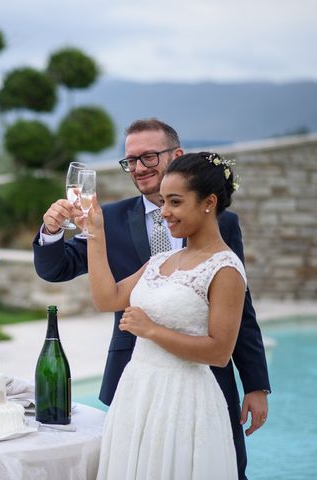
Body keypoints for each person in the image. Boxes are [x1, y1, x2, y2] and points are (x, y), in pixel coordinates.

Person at [32, 119, 270, 479]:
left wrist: (255, 383)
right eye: (131, 160)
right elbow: (63, 272)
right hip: (135, 382)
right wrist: (53, 231)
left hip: (201, 383)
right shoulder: (111, 220)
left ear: (176, 155)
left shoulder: (225, 229)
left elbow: (241, 312)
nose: (139, 168)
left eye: (148, 157)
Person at [89, 151, 247, 477]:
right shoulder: (161, 260)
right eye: (163, 202)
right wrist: (95, 231)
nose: (164, 212)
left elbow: (219, 352)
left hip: (184, 403)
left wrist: (151, 330)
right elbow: (108, 299)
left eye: (174, 202)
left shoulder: (225, 268)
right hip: (137, 393)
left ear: (209, 202)